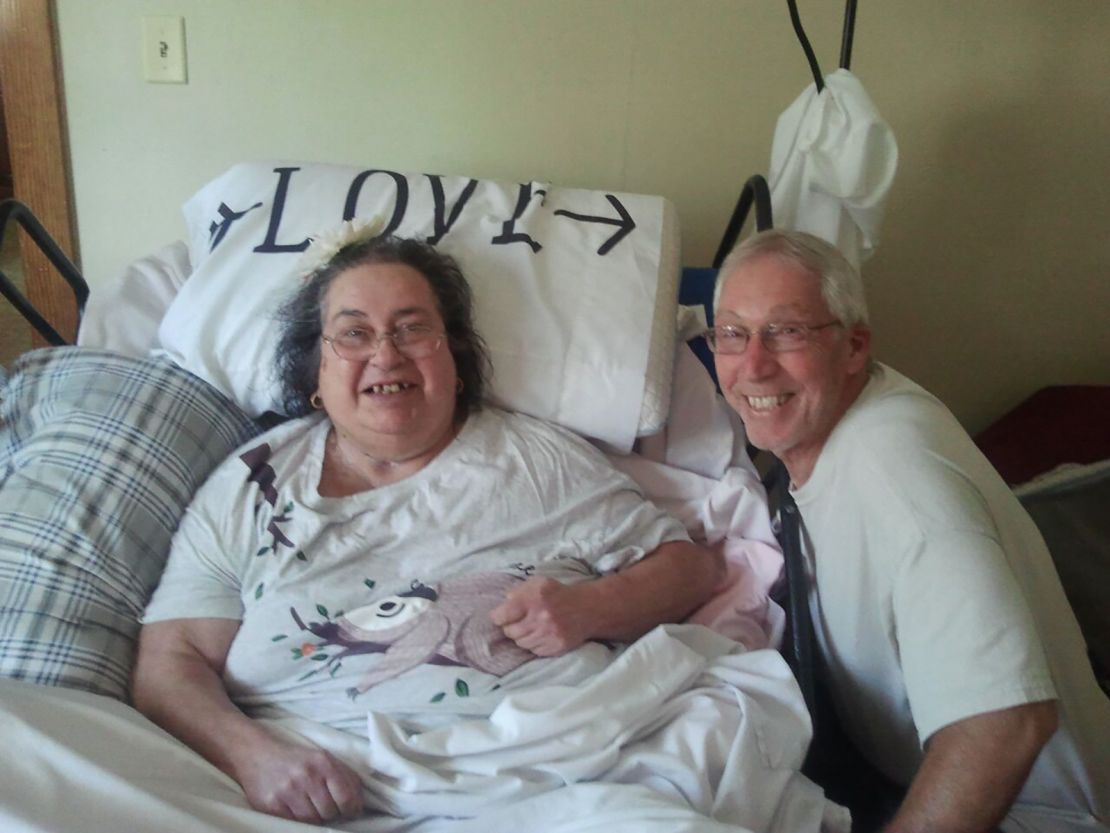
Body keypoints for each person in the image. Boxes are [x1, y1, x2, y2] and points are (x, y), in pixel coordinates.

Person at [130, 227, 727, 827]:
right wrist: (252, 757)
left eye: (413, 329)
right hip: (308, 792)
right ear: (314, 373)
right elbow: (169, 664)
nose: (386, 354)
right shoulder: (252, 486)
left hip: (539, 781)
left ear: (456, 360)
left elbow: (688, 568)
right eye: (354, 333)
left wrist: (590, 608)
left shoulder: (536, 461)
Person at [707, 228, 1110, 833]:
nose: (754, 365)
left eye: (787, 331)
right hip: (899, 781)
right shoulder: (829, 444)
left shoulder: (897, 473)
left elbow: (1007, 725)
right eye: (733, 333)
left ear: (853, 346)